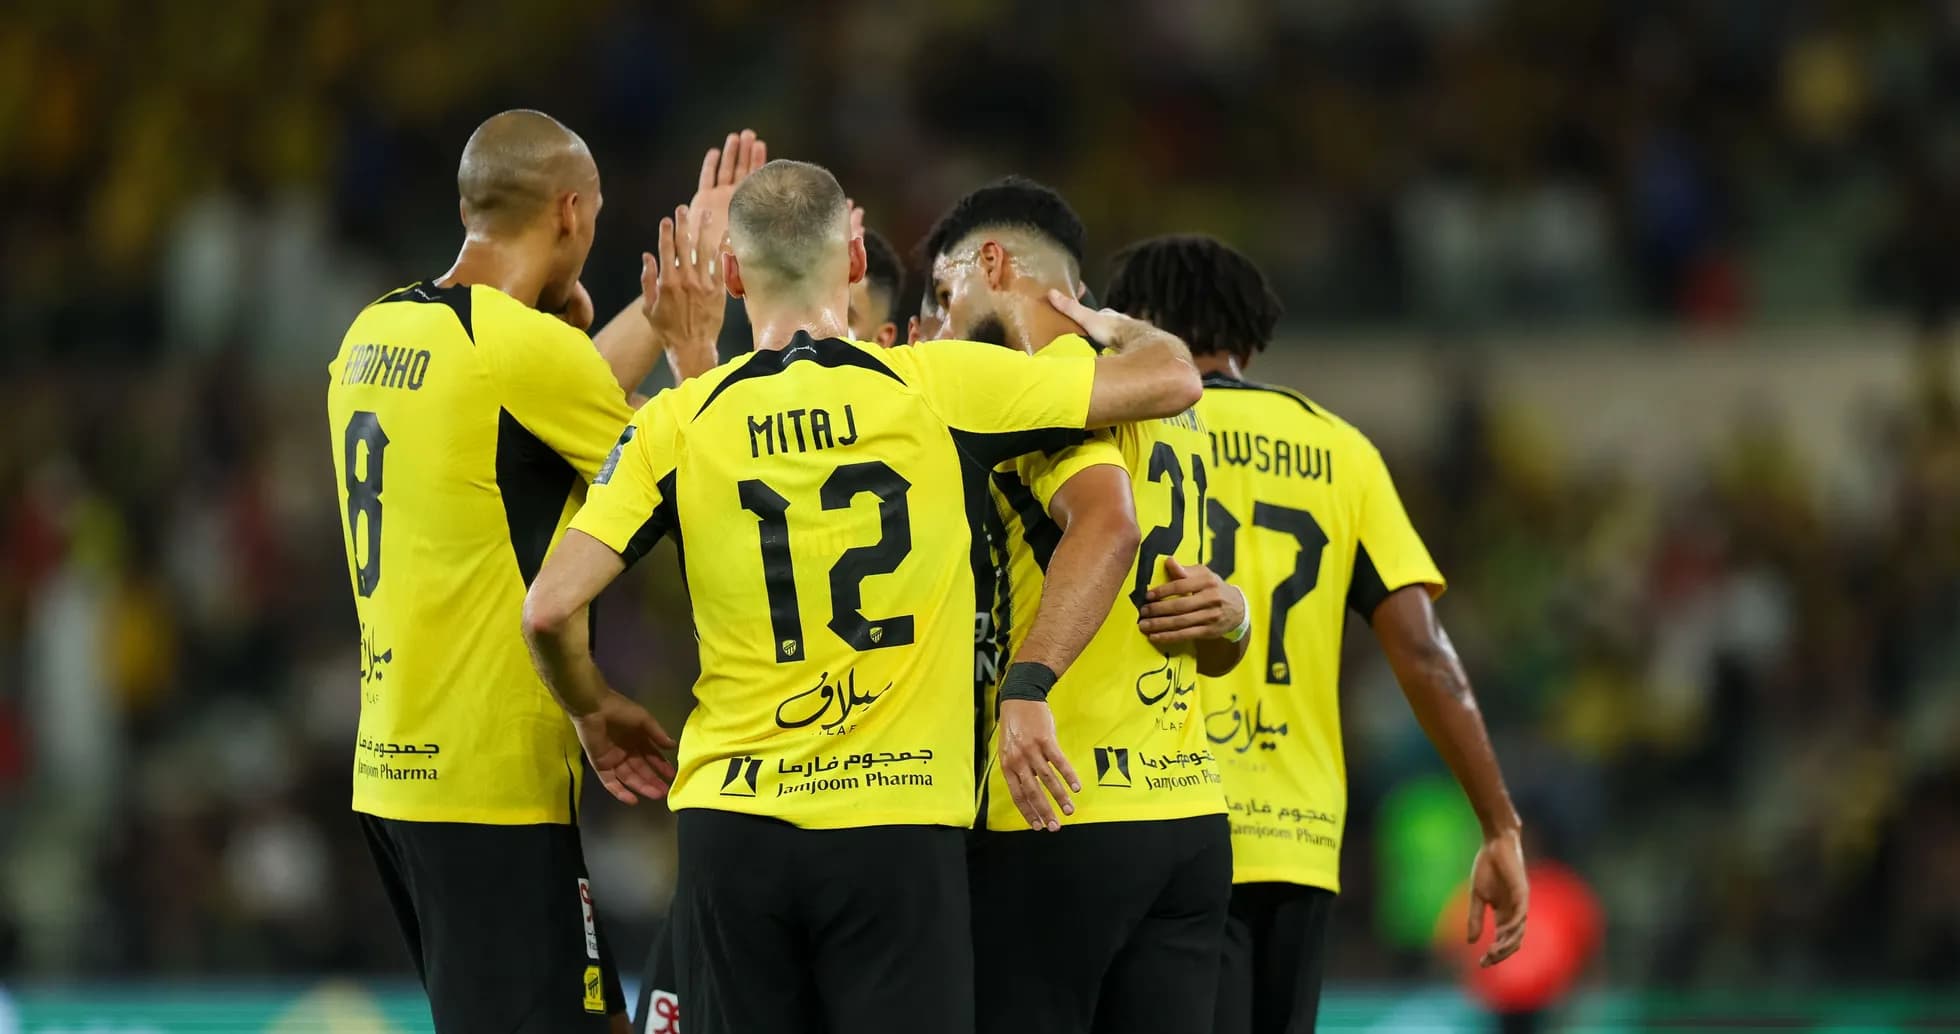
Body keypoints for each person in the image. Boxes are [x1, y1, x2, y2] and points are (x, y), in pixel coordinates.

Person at [520, 159, 1203, 1034]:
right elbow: (1172, 379)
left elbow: (547, 609)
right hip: (897, 821)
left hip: (736, 819)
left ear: (730, 275)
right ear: (853, 258)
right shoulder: (940, 384)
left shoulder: (678, 422)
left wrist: (594, 708)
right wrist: (1115, 322)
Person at [325, 109, 753, 1034]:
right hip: (490, 786)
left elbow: (534, 407)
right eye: (594, 219)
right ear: (568, 213)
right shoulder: (523, 354)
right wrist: (695, 342)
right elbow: (688, 464)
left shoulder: (374, 333)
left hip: (392, 773)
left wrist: (662, 288)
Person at [1104, 234, 1530, 1034]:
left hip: (1156, 814)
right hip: (1296, 840)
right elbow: (1424, 653)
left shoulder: (1129, 430)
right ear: (1252, 338)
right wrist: (1498, 822)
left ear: (1139, 324)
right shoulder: (1342, 450)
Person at [924, 177, 1247, 1034]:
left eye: (944, 292)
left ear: (992, 263)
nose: (938, 324)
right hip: (1187, 812)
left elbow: (1109, 528)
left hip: (1063, 801)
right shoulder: (1177, 411)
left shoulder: (1054, 384)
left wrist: (1027, 686)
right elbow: (1202, 622)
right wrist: (1237, 617)